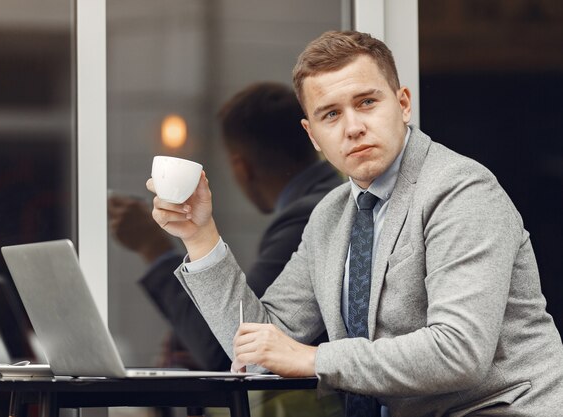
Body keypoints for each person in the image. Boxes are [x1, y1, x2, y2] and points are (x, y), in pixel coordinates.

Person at [146, 30, 563, 417]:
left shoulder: (461, 191)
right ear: (313, 136)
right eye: (330, 114)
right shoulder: (330, 216)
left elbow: (459, 352)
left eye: (366, 102)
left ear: (402, 104)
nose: (353, 127)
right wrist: (200, 236)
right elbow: (259, 350)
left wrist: (313, 359)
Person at [108, 82, 344, 370]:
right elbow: (250, 345)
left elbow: (231, 350)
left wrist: (153, 247)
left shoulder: (310, 216)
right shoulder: (326, 206)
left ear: (240, 167)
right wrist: (197, 236)